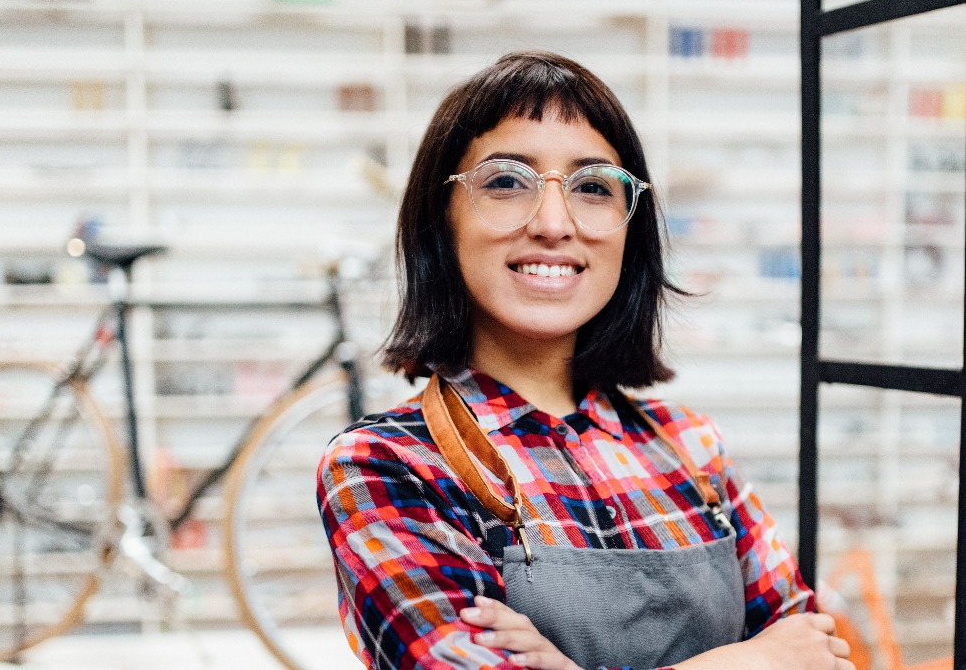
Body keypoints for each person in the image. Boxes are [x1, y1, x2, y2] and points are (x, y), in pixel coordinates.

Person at [317, 51, 852, 670]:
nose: (553, 222)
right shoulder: (384, 465)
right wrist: (743, 662)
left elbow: (815, 655)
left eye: (593, 187)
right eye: (507, 182)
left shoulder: (690, 445)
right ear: (443, 220)